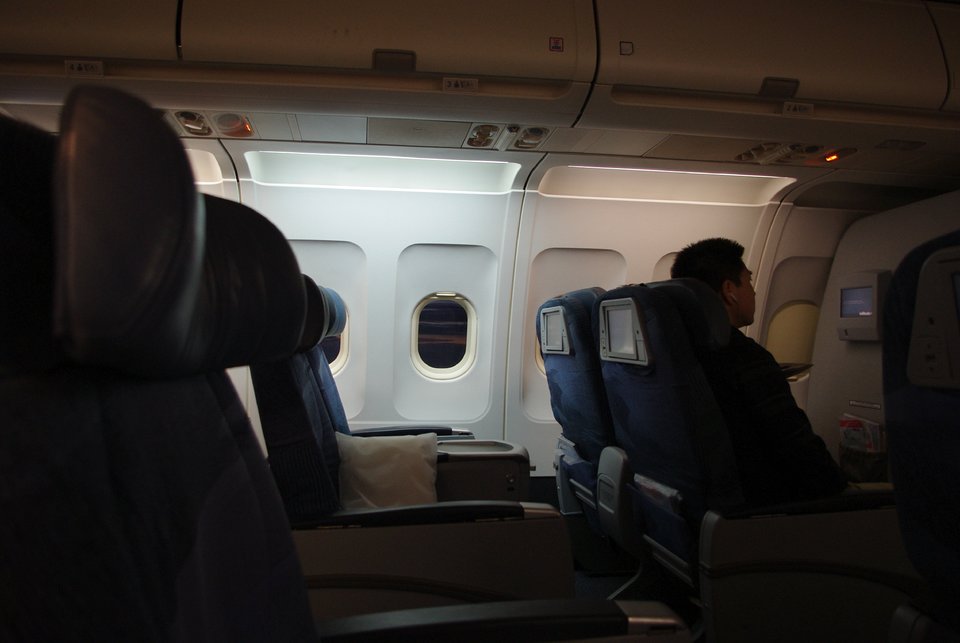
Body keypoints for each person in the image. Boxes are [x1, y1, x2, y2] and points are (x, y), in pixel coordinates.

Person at [671, 237, 847, 506]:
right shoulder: (745, 356)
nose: (753, 292)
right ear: (730, 290)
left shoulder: (677, 350)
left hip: (699, 503)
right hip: (763, 508)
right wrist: (843, 488)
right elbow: (799, 449)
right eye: (749, 281)